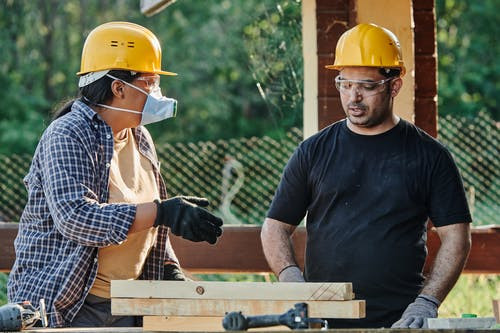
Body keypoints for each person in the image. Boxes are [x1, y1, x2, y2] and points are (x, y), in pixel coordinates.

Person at [8, 21, 223, 328]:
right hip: (68, 305)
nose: (156, 93)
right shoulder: (68, 134)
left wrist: (167, 266)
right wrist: (164, 212)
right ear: (119, 88)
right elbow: (75, 218)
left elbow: (149, 218)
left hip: (127, 301)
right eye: (149, 82)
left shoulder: (141, 137)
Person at [261, 23, 471, 329]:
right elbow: (274, 228)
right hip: (322, 321)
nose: (353, 97)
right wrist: (292, 279)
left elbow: (457, 237)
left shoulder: (430, 156)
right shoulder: (313, 152)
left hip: (398, 322)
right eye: (345, 84)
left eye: (366, 86)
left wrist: (427, 302)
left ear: (394, 86)